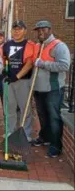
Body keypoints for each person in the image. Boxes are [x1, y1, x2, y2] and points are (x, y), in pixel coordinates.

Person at [32, 20, 70, 158]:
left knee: (54, 117)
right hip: (38, 88)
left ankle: (56, 145)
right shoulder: (37, 46)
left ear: (50, 29)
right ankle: (45, 137)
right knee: (42, 115)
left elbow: (64, 65)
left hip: (53, 89)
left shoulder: (59, 46)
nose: (41, 32)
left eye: (44, 29)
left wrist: (42, 63)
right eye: (38, 30)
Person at [0, 20, 35, 141]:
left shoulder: (29, 45)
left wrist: (17, 76)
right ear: (11, 31)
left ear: (25, 31)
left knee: (25, 108)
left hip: (23, 81)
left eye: (19, 29)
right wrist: (4, 71)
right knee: (9, 107)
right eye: (14, 29)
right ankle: (10, 130)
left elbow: (29, 63)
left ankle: (26, 133)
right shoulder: (6, 45)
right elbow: (2, 59)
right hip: (8, 81)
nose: (16, 31)